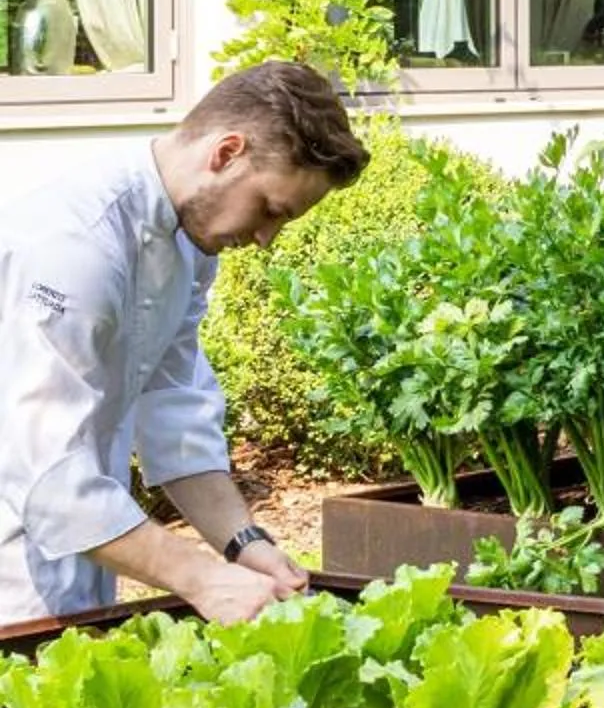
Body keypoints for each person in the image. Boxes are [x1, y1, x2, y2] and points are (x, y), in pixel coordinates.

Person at [0, 60, 368, 626]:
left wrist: (246, 545)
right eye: (270, 209)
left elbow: (172, 407)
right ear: (225, 153)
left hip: (81, 554)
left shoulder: (191, 246)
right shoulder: (75, 248)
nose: (267, 239)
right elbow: (47, 476)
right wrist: (202, 578)